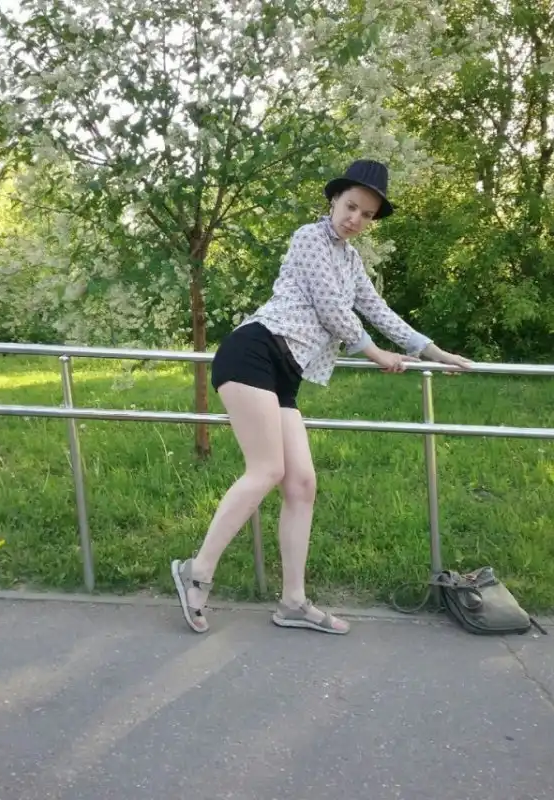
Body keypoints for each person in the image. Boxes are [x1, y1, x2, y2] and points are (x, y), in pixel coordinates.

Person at [171, 158, 470, 635]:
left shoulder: (350, 261)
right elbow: (332, 309)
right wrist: (375, 353)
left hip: (286, 372)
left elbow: (378, 310)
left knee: (302, 484)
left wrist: (433, 352)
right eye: (351, 206)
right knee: (266, 470)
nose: (356, 219)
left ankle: (293, 602)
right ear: (334, 200)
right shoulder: (309, 238)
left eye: (367, 215)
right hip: (255, 353)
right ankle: (196, 571)